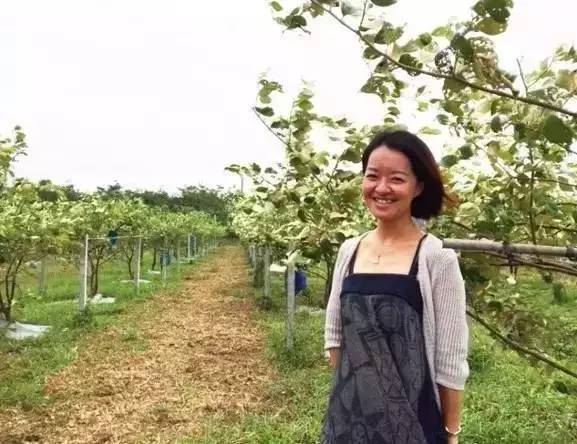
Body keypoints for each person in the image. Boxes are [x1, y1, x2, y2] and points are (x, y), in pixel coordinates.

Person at [321, 130, 469, 444]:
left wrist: (450, 433)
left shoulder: (436, 260)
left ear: (419, 187)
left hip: (413, 425)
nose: (382, 188)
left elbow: (450, 360)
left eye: (397, 179)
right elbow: (335, 336)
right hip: (348, 424)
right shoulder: (349, 251)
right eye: (372, 176)